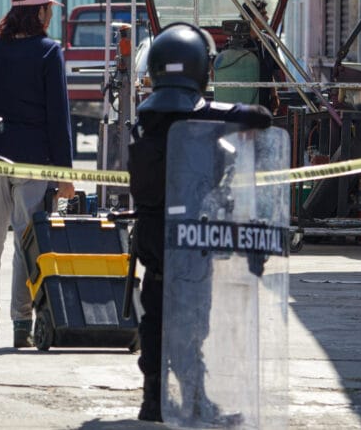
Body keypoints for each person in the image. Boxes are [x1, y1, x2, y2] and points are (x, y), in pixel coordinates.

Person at [127, 22, 272, 422]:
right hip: (190, 236)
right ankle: (195, 401)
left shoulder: (145, 119)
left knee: (155, 319)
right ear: (200, 69)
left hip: (153, 237)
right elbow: (260, 115)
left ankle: (153, 400)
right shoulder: (203, 116)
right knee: (190, 321)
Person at [0, 0, 75, 348]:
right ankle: (21, 322)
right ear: (41, 12)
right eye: (49, 9)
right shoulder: (49, 52)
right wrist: (64, 174)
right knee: (24, 241)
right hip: (34, 159)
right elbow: (58, 117)